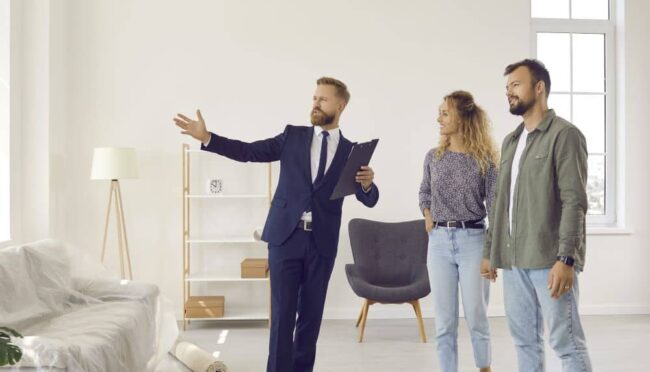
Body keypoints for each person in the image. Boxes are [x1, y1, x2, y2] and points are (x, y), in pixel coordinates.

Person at [174, 77, 379, 372]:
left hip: (321, 244)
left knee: (310, 320)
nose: (315, 103)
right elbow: (249, 152)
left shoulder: (352, 151)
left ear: (340, 105)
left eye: (323, 99)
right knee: (282, 317)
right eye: (314, 98)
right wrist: (208, 138)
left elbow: (368, 199)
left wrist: (368, 185)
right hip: (285, 238)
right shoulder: (292, 136)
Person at [481, 59, 593, 372]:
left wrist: (566, 259)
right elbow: (501, 201)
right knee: (525, 343)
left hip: (549, 261)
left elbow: (575, 202)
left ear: (539, 87)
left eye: (515, 85)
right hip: (515, 263)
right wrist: (491, 251)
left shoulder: (565, 135)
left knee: (566, 345)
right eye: (507, 88)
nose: (509, 93)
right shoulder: (511, 141)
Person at [419, 90, 498, 372]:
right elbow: (424, 193)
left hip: (474, 241)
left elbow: (497, 206)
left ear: (462, 117)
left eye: (444, 113)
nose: (438, 118)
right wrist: (428, 215)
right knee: (444, 322)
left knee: (477, 316)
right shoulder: (433, 156)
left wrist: (492, 253)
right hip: (439, 242)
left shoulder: (486, 159)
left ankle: (484, 367)